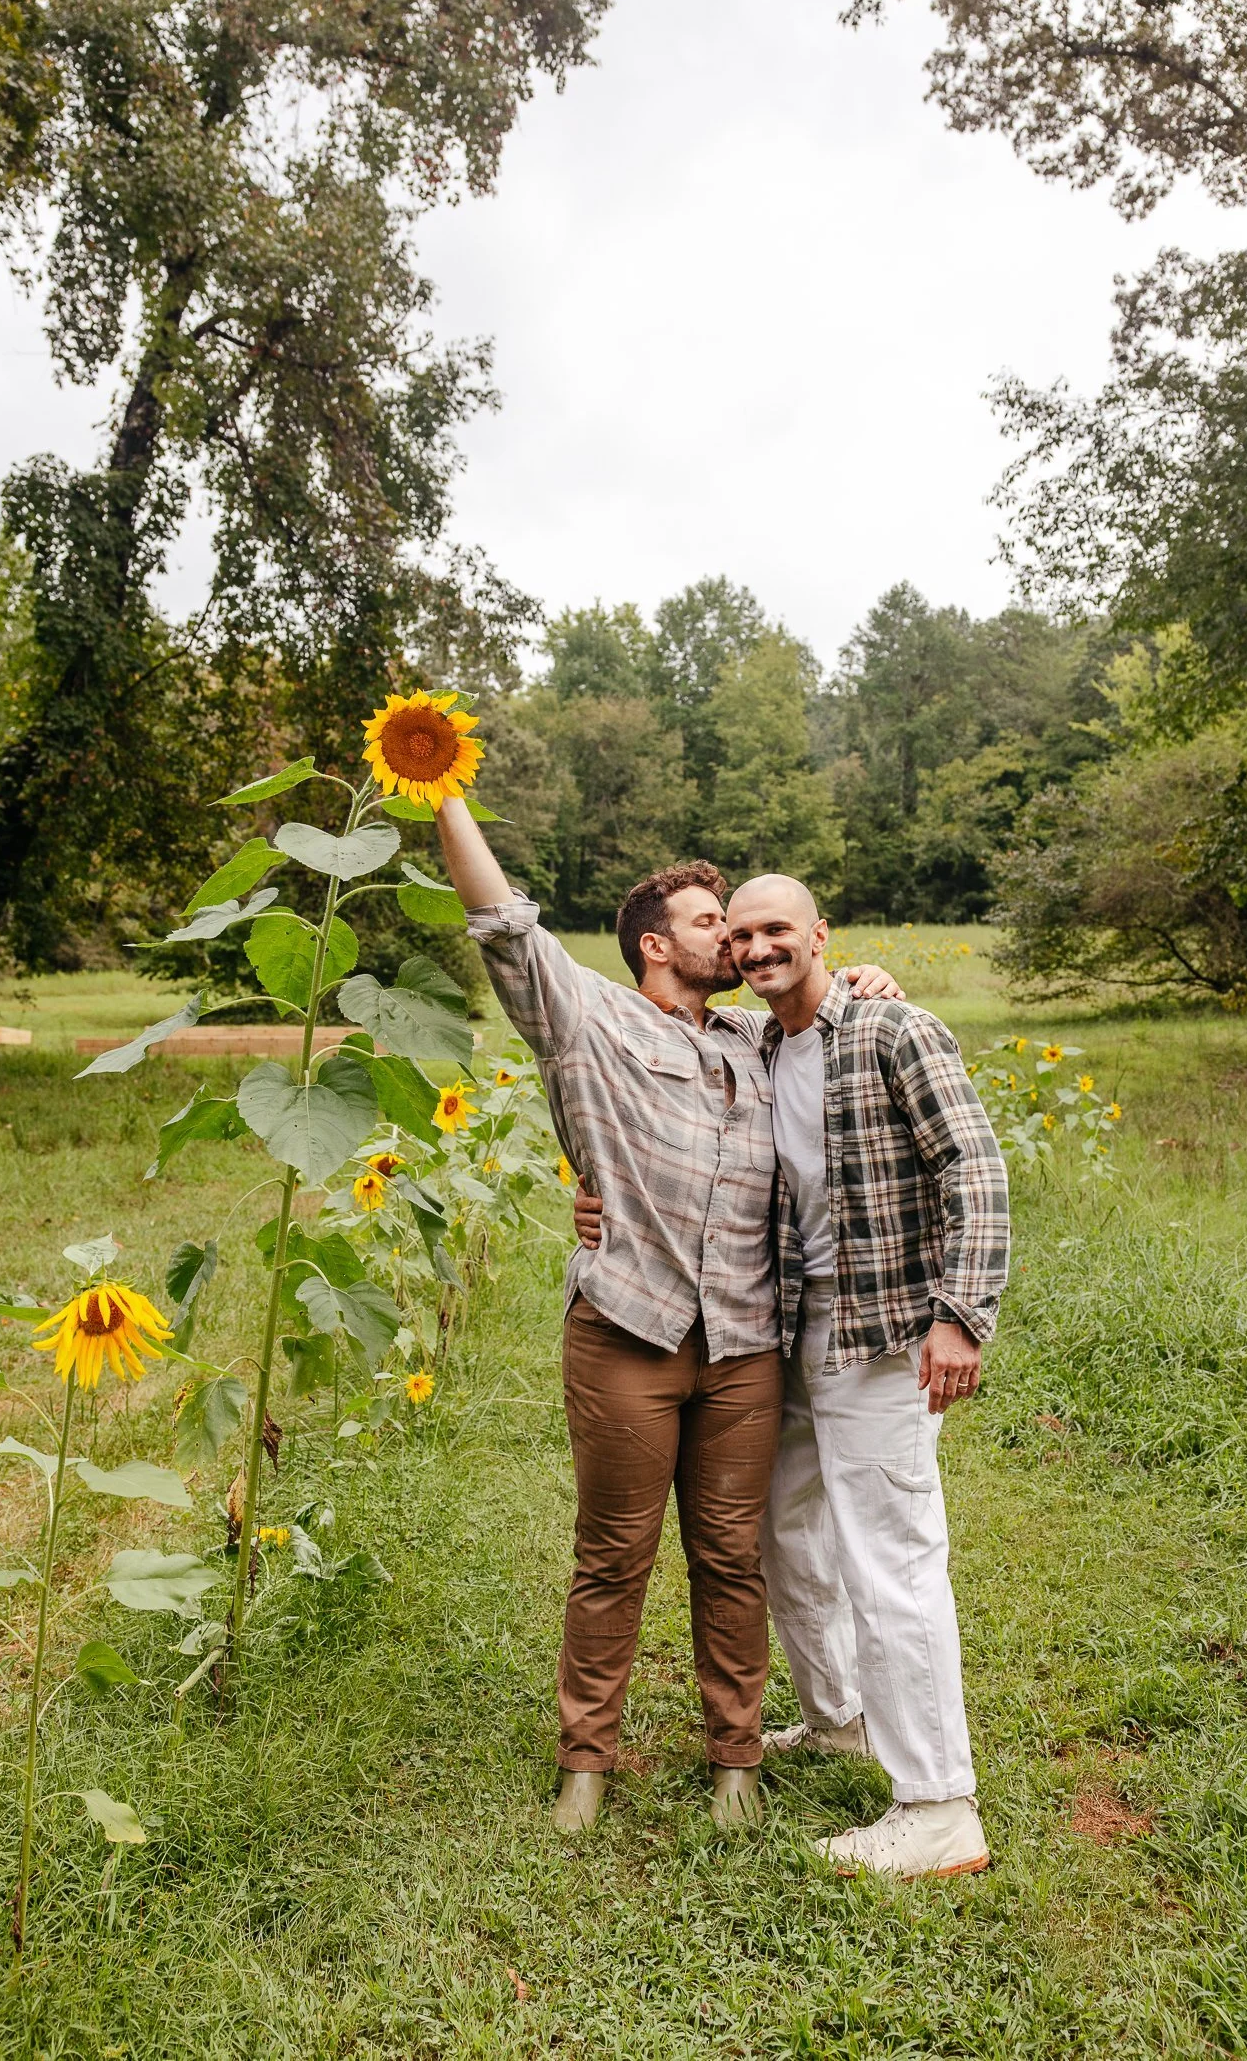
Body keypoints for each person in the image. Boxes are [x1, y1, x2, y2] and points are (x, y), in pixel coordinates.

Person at [430, 797, 903, 1832]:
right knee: (612, 1555)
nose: (732, 938)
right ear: (656, 941)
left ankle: (735, 1755)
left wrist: (868, 982)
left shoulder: (757, 1040)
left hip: (743, 1345)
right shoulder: (588, 1019)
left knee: (731, 1557)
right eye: (711, 922)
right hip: (627, 1335)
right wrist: (444, 790)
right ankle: (586, 1761)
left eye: (736, 922)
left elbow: (831, 1020)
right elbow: (504, 923)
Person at [722, 874, 1009, 1879]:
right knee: (783, 1527)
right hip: (791, 1328)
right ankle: (839, 1713)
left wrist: (960, 1316)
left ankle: (938, 1805)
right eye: (743, 933)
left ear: (820, 935)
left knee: (891, 1553)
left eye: (778, 930)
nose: (761, 947)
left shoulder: (893, 1028)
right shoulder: (759, 1041)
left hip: (884, 1332)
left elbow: (973, 1168)